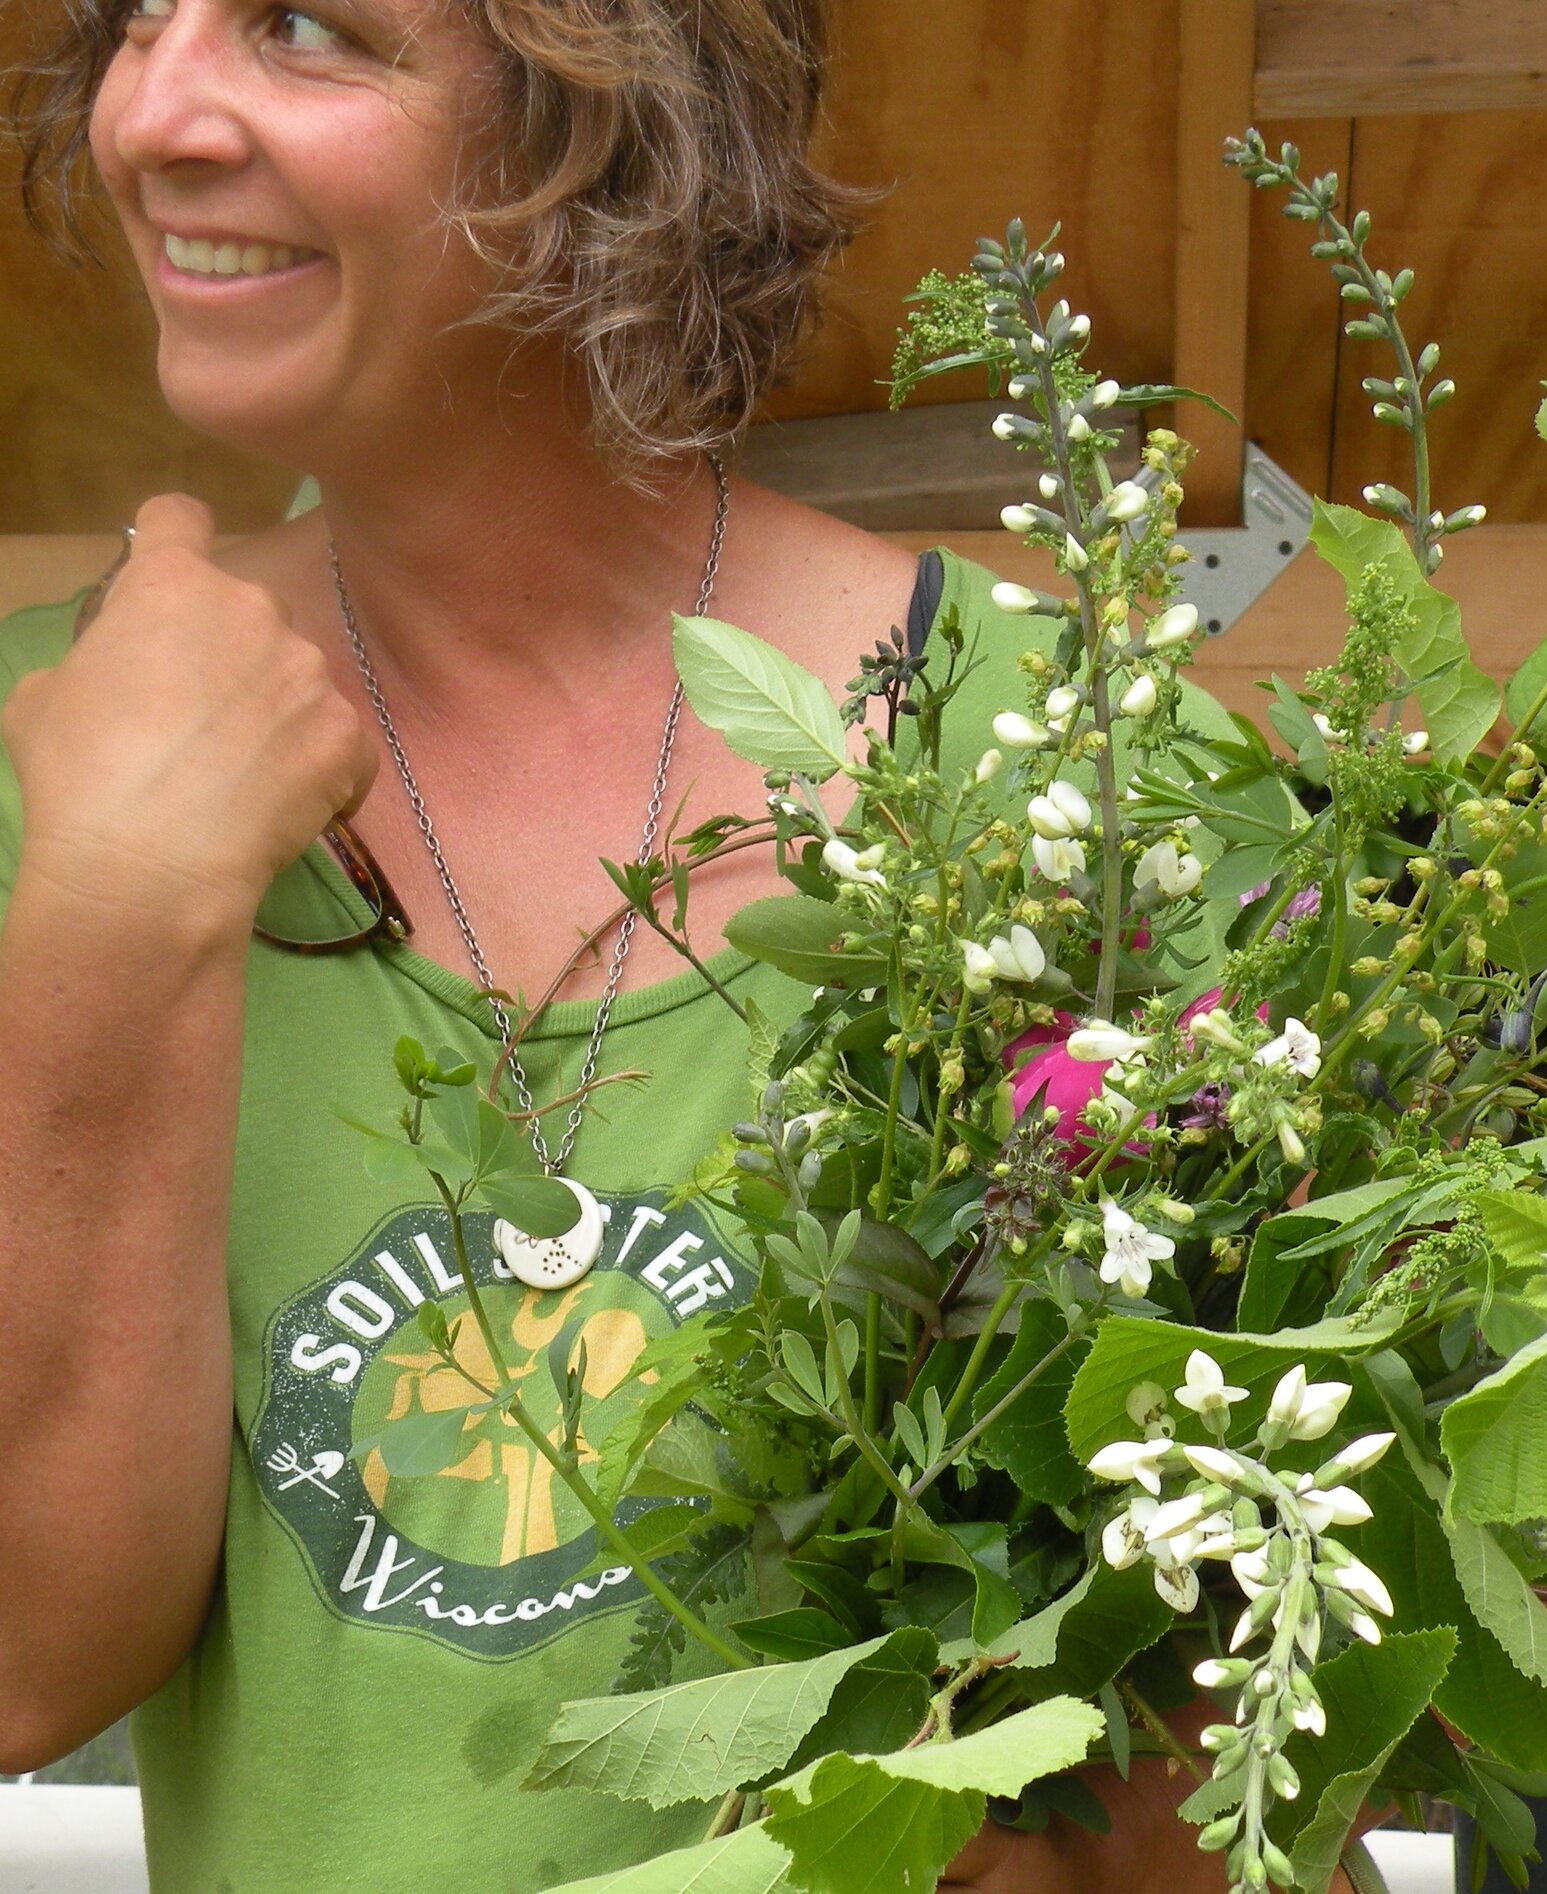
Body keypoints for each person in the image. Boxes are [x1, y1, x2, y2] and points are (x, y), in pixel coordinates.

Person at [0, 3, 1231, 1888]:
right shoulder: (50, 760)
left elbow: (1238, 1722)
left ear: (607, 118)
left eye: (304, 29)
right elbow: (28, 1662)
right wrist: (112, 917)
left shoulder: (1083, 781)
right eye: (135, 19)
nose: (152, 113)